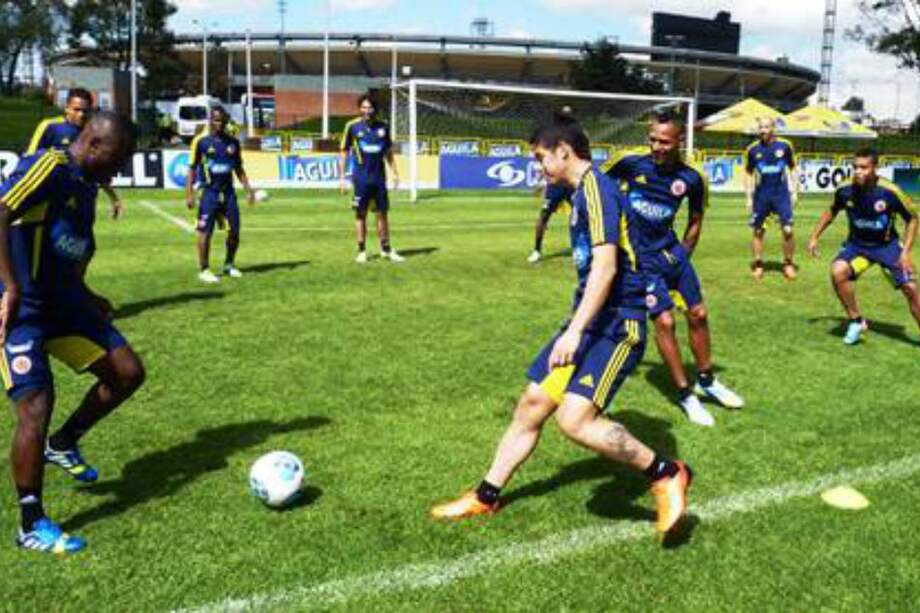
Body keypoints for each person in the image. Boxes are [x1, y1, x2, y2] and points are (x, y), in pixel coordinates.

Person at [430, 122, 692, 537]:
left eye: (541, 157)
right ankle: (486, 495)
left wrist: (574, 332)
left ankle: (666, 472)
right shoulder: (575, 193)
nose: (539, 167)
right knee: (533, 403)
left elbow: (606, 268)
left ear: (564, 151)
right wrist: (575, 326)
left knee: (574, 421)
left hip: (618, 323)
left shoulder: (597, 190)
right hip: (588, 321)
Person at [0, 111, 144, 555]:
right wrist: (9, 285)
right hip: (19, 312)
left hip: (64, 307)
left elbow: (70, 245)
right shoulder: (50, 167)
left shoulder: (86, 185)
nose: (119, 170)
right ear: (93, 144)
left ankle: (63, 444)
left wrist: (87, 293)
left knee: (127, 372)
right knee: (35, 405)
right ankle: (31, 521)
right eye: (117, 160)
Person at [602, 114, 743, 427]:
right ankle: (685, 394)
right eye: (652, 139)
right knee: (664, 322)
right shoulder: (629, 163)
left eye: (663, 141)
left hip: (673, 255)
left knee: (699, 315)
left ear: (680, 141)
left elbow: (695, 219)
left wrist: (683, 254)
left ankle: (707, 381)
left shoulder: (693, 177)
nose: (656, 146)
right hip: (640, 262)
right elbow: (596, 188)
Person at [807, 148, 920, 345]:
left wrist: (905, 253)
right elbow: (831, 211)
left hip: (887, 247)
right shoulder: (844, 189)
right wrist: (814, 237)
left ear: (875, 168)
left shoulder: (890, 191)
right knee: (837, 271)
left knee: (911, 289)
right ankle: (856, 321)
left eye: (863, 167)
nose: (858, 171)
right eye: (855, 167)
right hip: (857, 247)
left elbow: (912, 219)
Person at [27, 88, 125, 220]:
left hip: (85, 200)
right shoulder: (50, 127)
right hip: (54, 203)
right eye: (76, 109)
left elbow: (96, 169)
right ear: (67, 108)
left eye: (85, 110)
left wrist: (113, 197)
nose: (81, 114)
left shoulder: (94, 132)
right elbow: (30, 161)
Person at [185, 106, 255, 283]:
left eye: (222, 121)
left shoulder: (233, 143)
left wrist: (248, 190)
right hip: (209, 194)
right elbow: (192, 169)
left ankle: (229, 264)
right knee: (204, 232)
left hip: (229, 194)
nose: (220, 124)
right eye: (216, 120)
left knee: (234, 232)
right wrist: (189, 193)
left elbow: (239, 169)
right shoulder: (201, 142)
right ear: (210, 121)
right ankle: (204, 269)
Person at [339, 94, 403, 264]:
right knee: (361, 215)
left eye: (370, 107)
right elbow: (344, 152)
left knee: (382, 215)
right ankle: (361, 251)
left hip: (379, 179)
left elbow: (388, 153)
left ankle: (386, 249)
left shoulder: (383, 127)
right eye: (363, 107)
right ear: (360, 109)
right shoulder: (351, 126)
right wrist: (342, 179)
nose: (366, 111)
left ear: (375, 109)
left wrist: (395, 173)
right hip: (360, 180)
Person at [744, 117, 798, 280]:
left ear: (773, 128)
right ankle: (759, 264)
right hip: (761, 196)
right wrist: (748, 197)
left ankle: (788, 264)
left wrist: (794, 190)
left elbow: (793, 168)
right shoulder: (752, 149)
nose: (763, 131)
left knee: (788, 230)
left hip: (781, 195)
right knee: (758, 231)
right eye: (760, 128)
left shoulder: (785, 146)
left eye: (766, 127)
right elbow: (748, 173)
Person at [528, 105, 577, 264]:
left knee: (579, 215)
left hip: (571, 181)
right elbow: (535, 147)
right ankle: (536, 249)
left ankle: (578, 248)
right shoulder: (547, 134)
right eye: (565, 118)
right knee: (544, 215)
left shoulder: (575, 134)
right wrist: (542, 177)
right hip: (555, 183)